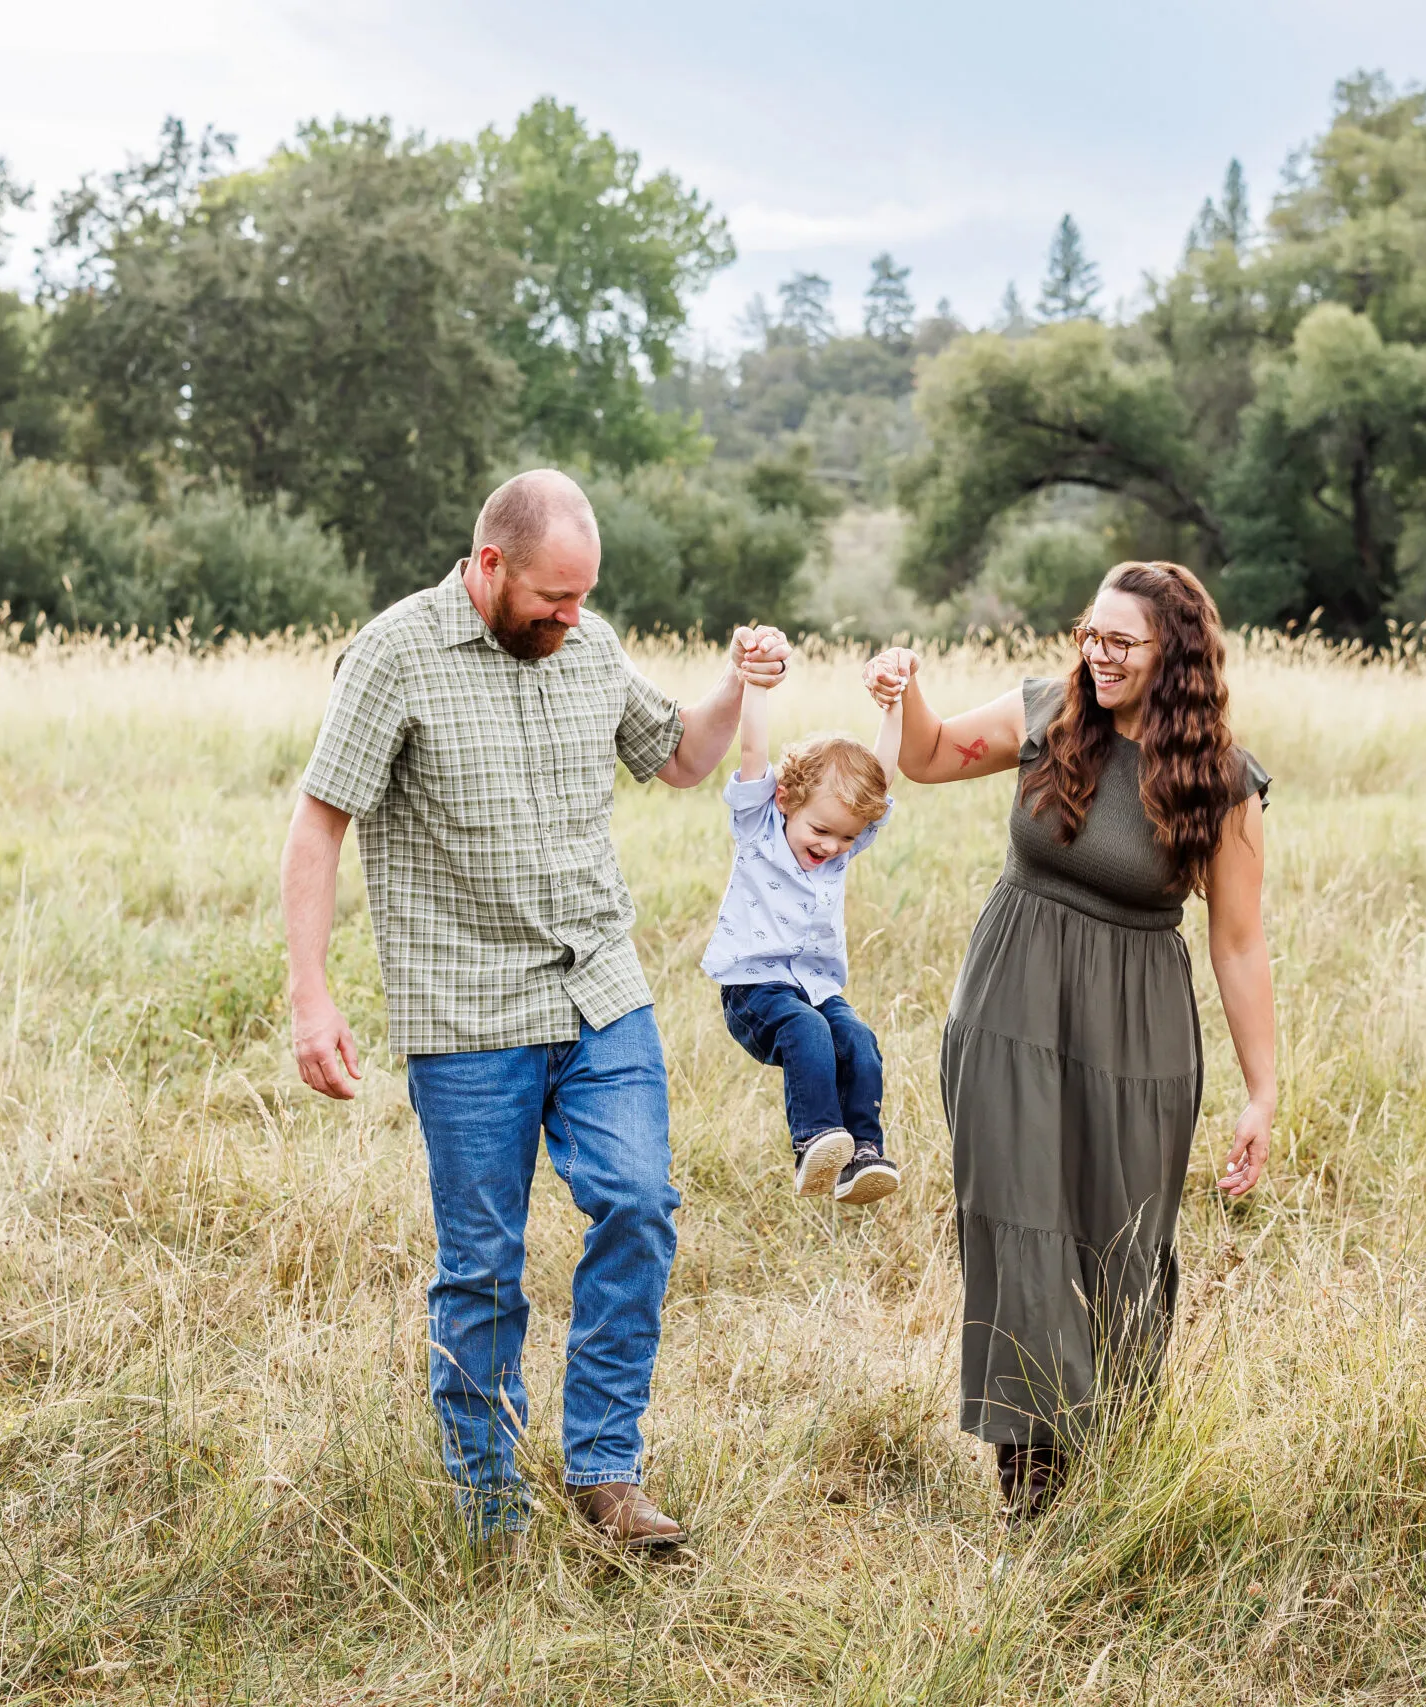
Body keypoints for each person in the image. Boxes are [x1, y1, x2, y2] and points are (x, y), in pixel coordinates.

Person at [280, 468, 790, 1548]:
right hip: (467, 1013)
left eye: (582, 597)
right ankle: (491, 1506)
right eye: (553, 598)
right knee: (483, 1265)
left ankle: (606, 1472)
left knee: (641, 1206)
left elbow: (686, 758)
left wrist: (740, 683)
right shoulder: (394, 654)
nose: (571, 616)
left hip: (599, 988)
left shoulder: (590, 647)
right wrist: (311, 995)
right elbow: (318, 822)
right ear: (490, 564)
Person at [865, 561, 1275, 1519]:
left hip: (1138, 1026)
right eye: (1091, 633)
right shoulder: (1047, 712)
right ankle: (1032, 1484)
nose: (1097, 653)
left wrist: (1262, 1093)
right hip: (1011, 1003)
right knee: (1018, 1229)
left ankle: (1123, 1465)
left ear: (1174, 654)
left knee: (1126, 1246)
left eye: (1120, 641)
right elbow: (925, 755)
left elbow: (1240, 942)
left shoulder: (1220, 781)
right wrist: (906, 690)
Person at [702, 673, 905, 1204]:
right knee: (807, 1031)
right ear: (785, 798)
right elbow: (753, 746)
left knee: (859, 1042)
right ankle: (815, 1140)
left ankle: (861, 1153)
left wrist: (894, 706)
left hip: (815, 986)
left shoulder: (841, 845)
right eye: (822, 831)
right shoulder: (758, 826)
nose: (834, 846)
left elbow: (881, 777)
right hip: (754, 987)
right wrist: (756, 683)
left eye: (847, 837)